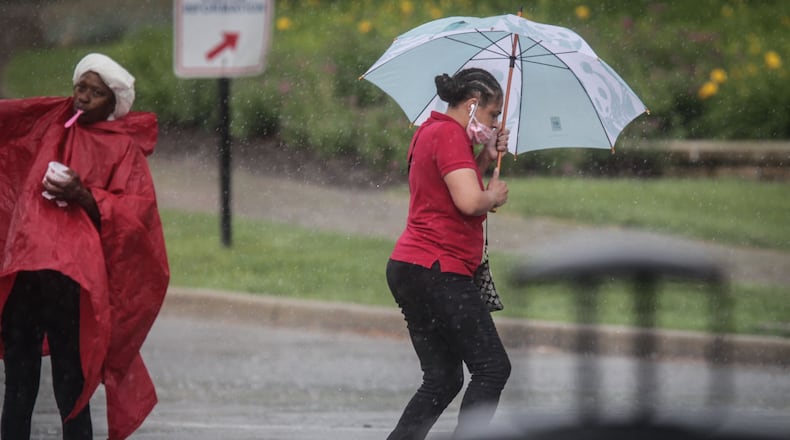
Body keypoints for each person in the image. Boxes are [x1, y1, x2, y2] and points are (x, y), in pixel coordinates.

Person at [0, 53, 169, 439]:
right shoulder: (51, 124)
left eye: (97, 93)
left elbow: (134, 214)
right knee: (18, 387)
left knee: (71, 388)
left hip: (74, 287)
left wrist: (84, 195)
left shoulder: (122, 151)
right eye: (81, 87)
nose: (84, 98)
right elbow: (11, 130)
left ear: (113, 104)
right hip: (27, 275)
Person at [385, 67, 511, 440]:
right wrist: (494, 196)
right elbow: (470, 201)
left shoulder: (431, 131)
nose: (495, 122)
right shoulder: (450, 136)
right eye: (492, 114)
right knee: (492, 368)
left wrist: (486, 157)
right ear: (472, 105)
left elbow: (450, 190)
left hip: (412, 267)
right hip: (437, 268)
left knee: (442, 378)